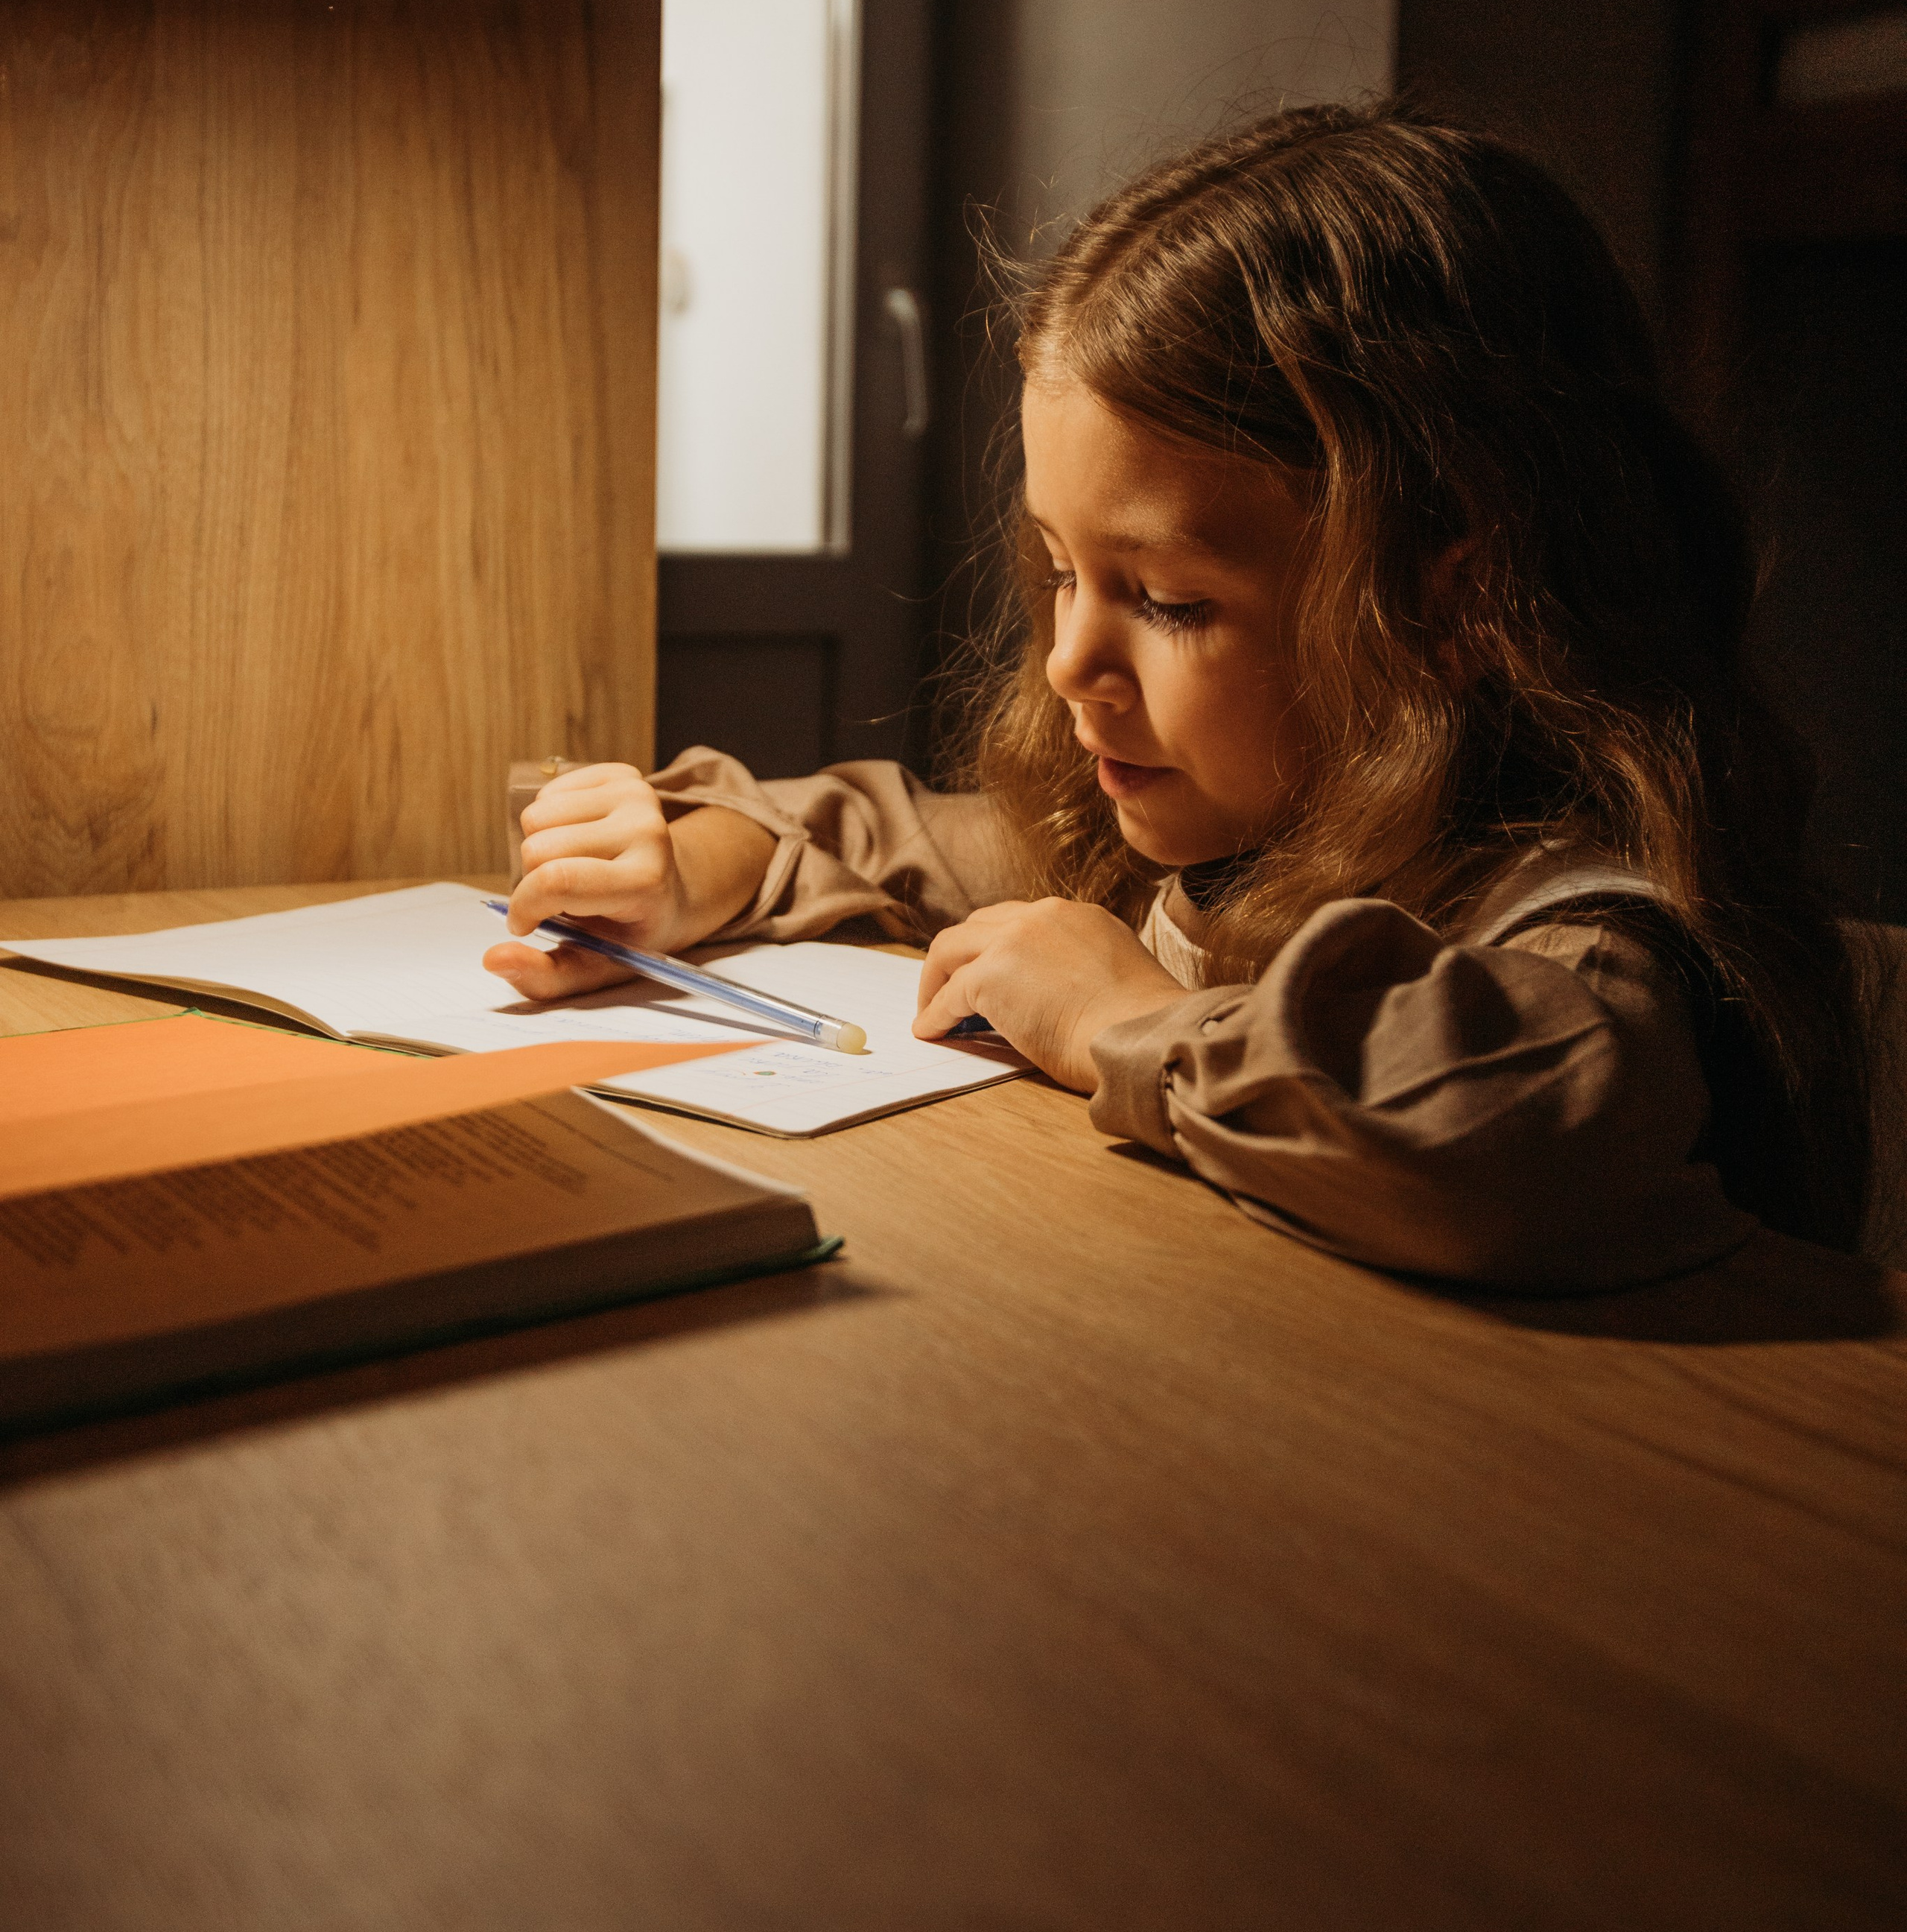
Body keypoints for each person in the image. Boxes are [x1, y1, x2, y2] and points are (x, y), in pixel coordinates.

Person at [487, 104, 1870, 1291]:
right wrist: (693, 866)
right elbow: (901, 836)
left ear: (1456, 606)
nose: (1066, 662)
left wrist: (1118, 1022)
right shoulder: (1220, 822)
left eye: (1167, 600)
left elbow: (1500, 1139)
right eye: (1059, 572)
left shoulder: (1588, 931)